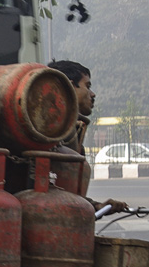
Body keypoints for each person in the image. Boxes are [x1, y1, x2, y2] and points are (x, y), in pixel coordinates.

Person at [47, 60, 126, 213]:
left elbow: (67, 194)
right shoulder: (50, 131)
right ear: (68, 87)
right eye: (87, 86)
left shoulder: (72, 131)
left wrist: (97, 206)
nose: (92, 94)